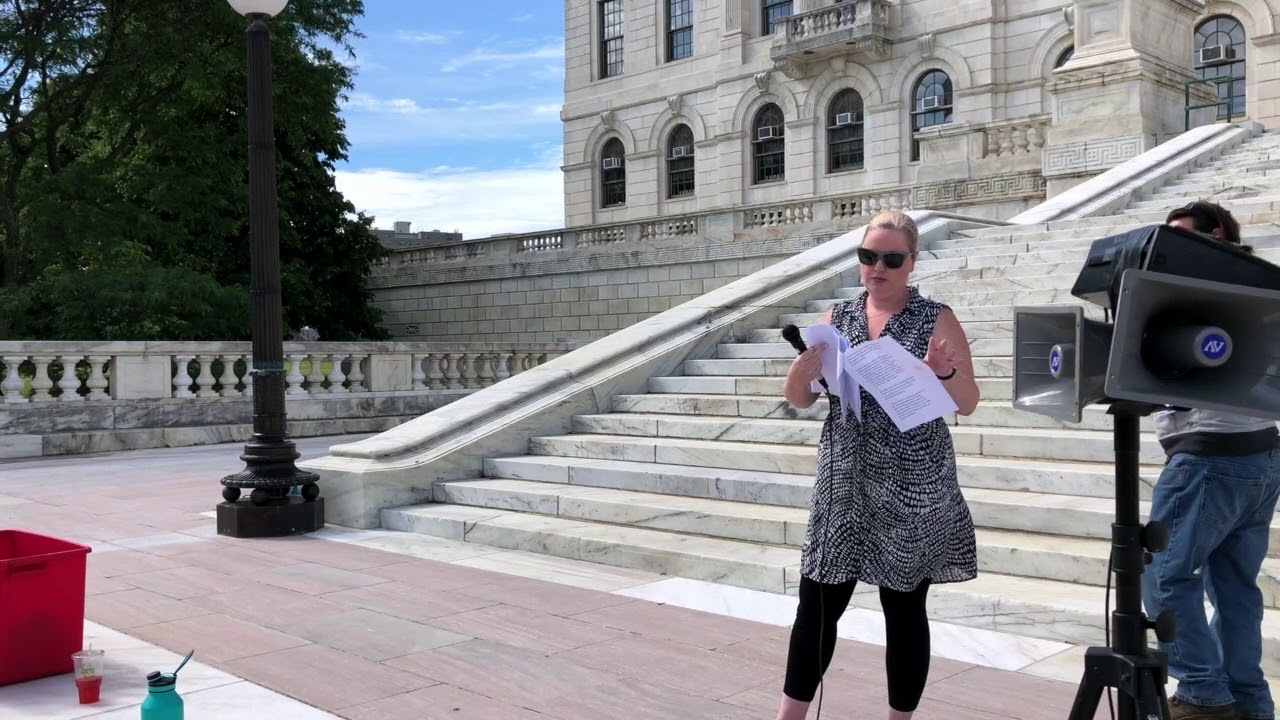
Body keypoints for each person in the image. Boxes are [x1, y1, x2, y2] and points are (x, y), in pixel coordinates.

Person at [775, 210, 981, 720]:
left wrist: (944, 371)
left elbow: (969, 401)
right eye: (869, 256)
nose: (877, 267)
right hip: (845, 474)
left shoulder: (936, 317)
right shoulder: (836, 319)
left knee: (904, 607)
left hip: (914, 476)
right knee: (817, 602)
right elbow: (801, 399)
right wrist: (800, 374)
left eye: (891, 258)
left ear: (911, 262)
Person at [1143, 201, 1280, 720]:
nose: (1171, 251)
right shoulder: (1258, 288)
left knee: (1163, 574)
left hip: (1210, 455)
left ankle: (1202, 692)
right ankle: (1249, 702)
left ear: (1216, 235)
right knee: (1235, 587)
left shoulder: (1210, 292)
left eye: (1182, 238)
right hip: (1260, 453)